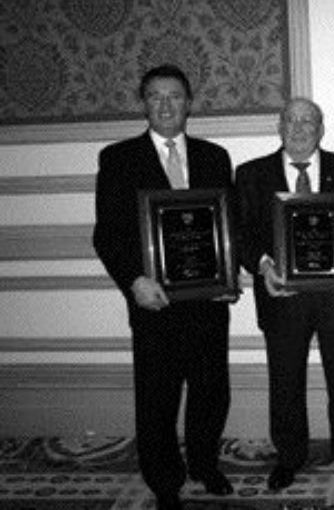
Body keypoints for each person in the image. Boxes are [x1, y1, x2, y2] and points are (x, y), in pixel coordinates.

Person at [93, 64, 234, 510]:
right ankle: (165, 482)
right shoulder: (117, 159)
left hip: (208, 301)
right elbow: (108, 234)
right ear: (144, 103)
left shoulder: (215, 157)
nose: (167, 105)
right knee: (157, 398)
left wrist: (229, 277)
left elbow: (225, 227)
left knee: (212, 391)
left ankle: (206, 466)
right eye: (156, 96)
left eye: (175, 96)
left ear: (189, 102)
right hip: (153, 301)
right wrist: (134, 281)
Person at [235, 98, 334, 491]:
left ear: (321, 128)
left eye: (307, 121)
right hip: (282, 297)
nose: (298, 128)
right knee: (284, 383)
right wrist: (263, 265)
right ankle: (289, 456)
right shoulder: (251, 174)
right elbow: (241, 234)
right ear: (279, 127)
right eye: (290, 121)